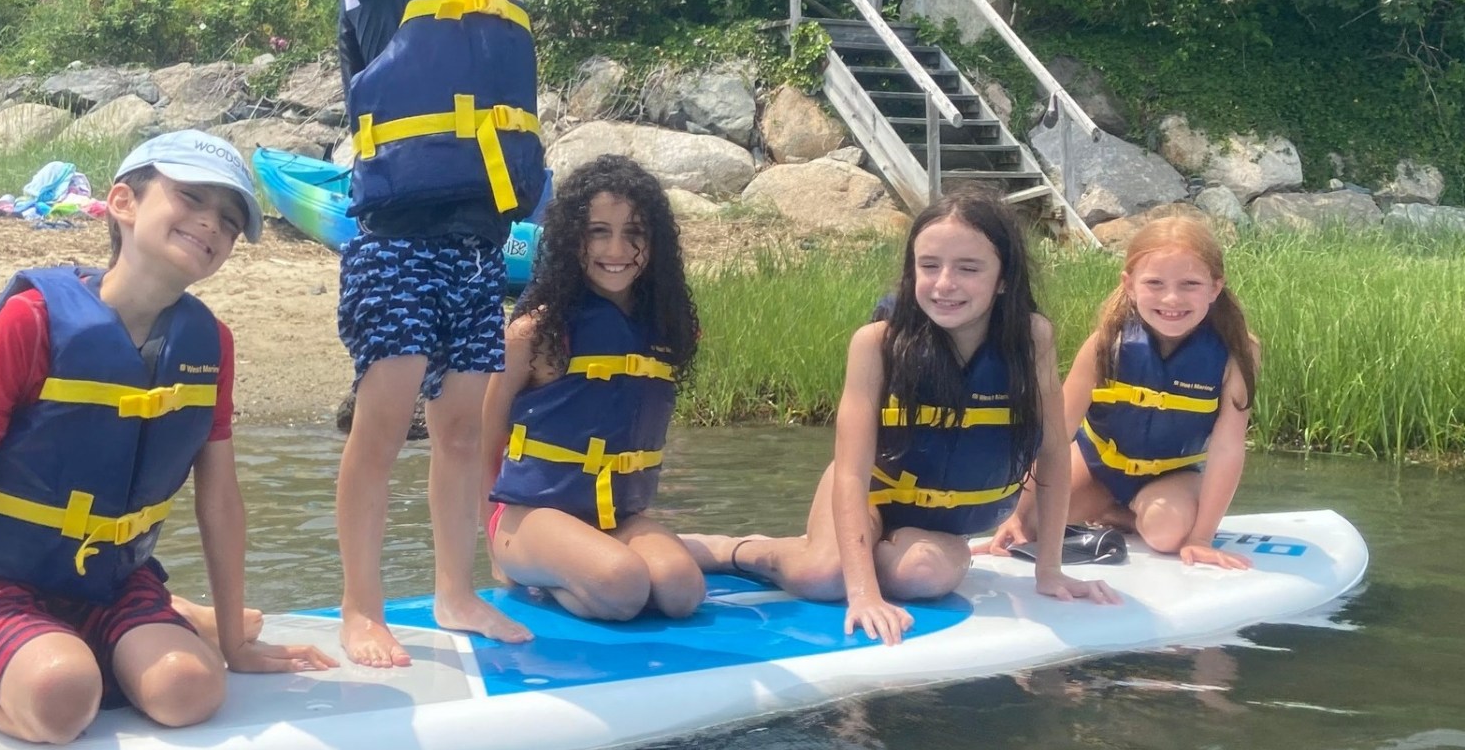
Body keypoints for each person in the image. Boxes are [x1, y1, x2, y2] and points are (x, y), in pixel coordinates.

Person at [332, 0, 614, 667]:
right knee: (383, 427)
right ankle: (364, 605)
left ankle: (453, 593)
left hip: (474, 254)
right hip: (398, 243)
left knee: (461, 434)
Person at [0, 131, 335, 744]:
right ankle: (78, 643)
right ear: (123, 203)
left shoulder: (211, 345)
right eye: (191, 198)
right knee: (61, 696)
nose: (211, 224)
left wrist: (235, 643)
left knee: (191, 691)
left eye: (230, 221)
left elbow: (220, 501)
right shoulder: (34, 323)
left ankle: (174, 620)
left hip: (115, 581)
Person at [683, 189, 1118, 643]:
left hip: (943, 525)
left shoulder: (1031, 339)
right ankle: (735, 549)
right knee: (823, 578)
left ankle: (857, 551)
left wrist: (1049, 570)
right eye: (928, 266)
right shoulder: (876, 344)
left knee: (922, 576)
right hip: (870, 492)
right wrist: (863, 595)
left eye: (968, 268)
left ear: (1004, 278)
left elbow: (1051, 454)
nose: (944, 283)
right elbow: (851, 474)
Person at [482, 156, 704, 621]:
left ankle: (590, 567)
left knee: (682, 591)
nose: (617, 249)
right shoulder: (535, 334)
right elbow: (482, 445)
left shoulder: (668, 331)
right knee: (623, 587)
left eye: (634, 233)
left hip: (613, 519)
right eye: (599, 231)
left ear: (655, 241)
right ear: (571, 239)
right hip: (528, 518)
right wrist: (493, 546)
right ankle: (545, 575)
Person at [989, 213, 1259, 569]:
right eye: (1155, 283)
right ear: (1129, 285)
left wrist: (1201, 537)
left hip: (1170, 476)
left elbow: (1227, 447)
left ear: (1215, 286)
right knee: (1036, 523)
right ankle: (1108, 507)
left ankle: (1128, 516)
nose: (1172, 298)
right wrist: (1017, 515)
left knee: (1167, 535)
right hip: (1096, 465)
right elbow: (1055, 435)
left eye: (1190, 284)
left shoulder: (1238, 351)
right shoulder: (1104, 345)